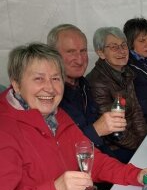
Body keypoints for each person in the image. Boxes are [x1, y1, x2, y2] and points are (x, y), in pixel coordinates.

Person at [0, 43, 147, 190]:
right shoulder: (5, 131)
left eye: (55, 78)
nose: (49, 88)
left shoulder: (56, 116)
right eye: (38, 78)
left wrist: (137, 175)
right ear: (16, 83)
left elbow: (90, 159)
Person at [47, 24, 124, 160]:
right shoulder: (47, 96)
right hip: (78, 172)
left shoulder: (83, 84)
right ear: (53, 55)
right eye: (71, 52)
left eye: (83, 51)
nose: (80, 59)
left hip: (101, 158)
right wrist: (96, 130)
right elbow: (57, 153)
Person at [86, 27, 147, 163]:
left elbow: (136, 112)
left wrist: (145, 141)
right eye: (114, 47)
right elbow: (115, 133)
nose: (121, 51)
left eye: (123, 45)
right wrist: (139, 147)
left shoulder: (126, 72)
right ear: (101, 53)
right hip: (115, 149)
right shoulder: (97, 82)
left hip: (133, 141)